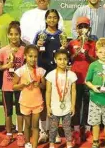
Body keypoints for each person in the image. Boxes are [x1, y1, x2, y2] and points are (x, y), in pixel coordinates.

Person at [33, 9, 65, 142]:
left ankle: (54, 130)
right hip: (42, 71)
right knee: (42, 102)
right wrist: (37, 45)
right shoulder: (40, 34)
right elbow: (33, 52)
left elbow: (65, 54)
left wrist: (64, 47)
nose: (52, 20)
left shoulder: (61, 35)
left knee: (55, 102)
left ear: (58, 20)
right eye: (49, 17)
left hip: (56, 71)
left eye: (54, 17)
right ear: (46, 19)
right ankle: (43, 130)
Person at [68, 16, 97, 145]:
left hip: (89, 80)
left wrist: (87, 56)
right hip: (75, 79)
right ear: (77, 29)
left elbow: (96, 60)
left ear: (89, 29)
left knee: (88, 105)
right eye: (81, 27)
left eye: (85, 26)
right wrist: (76, 52)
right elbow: (68, 60)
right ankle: (75, 130)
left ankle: (87, 129)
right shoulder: (72, 43)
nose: (83, 29)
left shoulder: (93, 43)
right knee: (76, 106)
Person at [85, 38, 105, 148]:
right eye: (100, 52)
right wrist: (93, 87)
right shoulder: (93, 65)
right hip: (95, 99)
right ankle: (95, 142)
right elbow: (87, 81)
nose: (103, 54)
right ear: (96, 53)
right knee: (95, 122)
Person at [0, 21, 26, 147]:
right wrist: (6, 66)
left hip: (19, 86)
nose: (14, 37)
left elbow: (27, 67)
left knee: (20, 111)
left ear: (20, 35)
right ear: (8, 35)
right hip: (7, 86)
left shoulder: (24, 50)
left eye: (16, 34)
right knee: (8, 112)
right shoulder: (3, 50)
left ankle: (20, 134)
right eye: (11, 34)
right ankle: (9, 134)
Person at [13, 45, 47, 148]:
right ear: (25, 56)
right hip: (25, 103)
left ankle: (34, 146)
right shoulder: (20, 71)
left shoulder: (41, 71)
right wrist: (23, 85)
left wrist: (39, 85)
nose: (33, 59)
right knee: (27, 125)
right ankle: (27, 143)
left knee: (35, 126)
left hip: (37, 102)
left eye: (35, 56)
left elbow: (44, 85)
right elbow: (14, 86)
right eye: (30, 56)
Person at [46, 49, 78, 148]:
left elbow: (73, 91)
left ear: (68, 60)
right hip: (54, 107)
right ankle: (51, 143)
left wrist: (73, 105)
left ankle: (69, 143)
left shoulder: (72, 75)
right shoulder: (50, 75)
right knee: (53, 128)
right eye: (59, 59)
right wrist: (48, 106)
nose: (62, 61)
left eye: (64, 59)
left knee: (67, 127)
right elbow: (48, 91)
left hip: (67, 106)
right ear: (55, 60)